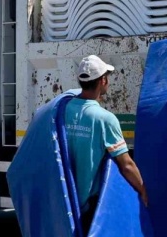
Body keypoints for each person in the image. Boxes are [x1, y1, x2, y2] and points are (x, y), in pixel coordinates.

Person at [65, 55, 149, 233]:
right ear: (103, 80)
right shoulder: (105, 119)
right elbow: (126, 165)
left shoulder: (62, 111)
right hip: (89, 206)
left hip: (64, 202)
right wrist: (143, 189)